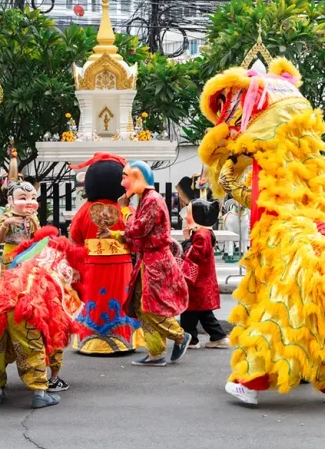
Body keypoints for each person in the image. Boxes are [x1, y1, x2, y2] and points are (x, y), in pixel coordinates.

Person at [197, 56, 325, 405]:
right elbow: (256, 194)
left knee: (278, 305)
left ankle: (252, 379)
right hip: (322, 232)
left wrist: (228, 172)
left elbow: (255, 196)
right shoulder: (306, 169)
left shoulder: (266, 167)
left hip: (284, 236)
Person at [0, 227, 87, 409]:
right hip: (30, 300)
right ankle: (40, 392)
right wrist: (55, 374)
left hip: (3, 294)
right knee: (33, 343)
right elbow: (57, 334)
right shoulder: (63, 268)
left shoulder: (27, 257)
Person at [99, 161, 190, 367]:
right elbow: (138, 237)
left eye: (126, 178)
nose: (123, 183)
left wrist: (124, 210)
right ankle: (156, 352)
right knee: (140, 306)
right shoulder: (144, 199)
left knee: (149, 307)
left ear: (138, 179)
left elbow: (137, 230)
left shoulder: (153, 200)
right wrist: (113, 233)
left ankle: (179, 335)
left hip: (156, 263)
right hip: (146, 262)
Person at [68, 153, 140, 355]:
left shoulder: (84, 210)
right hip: (122, 265)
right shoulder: (126, 210)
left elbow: (75, 239)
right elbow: (136, 237)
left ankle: (91, 340)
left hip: (91, 265)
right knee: (121, 299)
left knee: (94, 300)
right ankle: (122, 338)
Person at [180, 199, 228, 349]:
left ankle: (191, 339)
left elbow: (194, 255)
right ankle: (217, 336)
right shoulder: (204, 232)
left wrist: (187, 241)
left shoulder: (201, 234)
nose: (186, 217)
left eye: (188, 214)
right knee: (202, 312)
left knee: (190, 311)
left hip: (198, 281)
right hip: (200, 281)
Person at [0, 150, 40, 274]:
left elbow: (38, 237)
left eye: (33, 198)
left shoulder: (32, 217)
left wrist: (34, 222)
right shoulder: (7, 216)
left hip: (28, 253)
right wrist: (6, 224)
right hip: (10, 254)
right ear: (11, 200)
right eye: (23, 198)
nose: (29, 202)